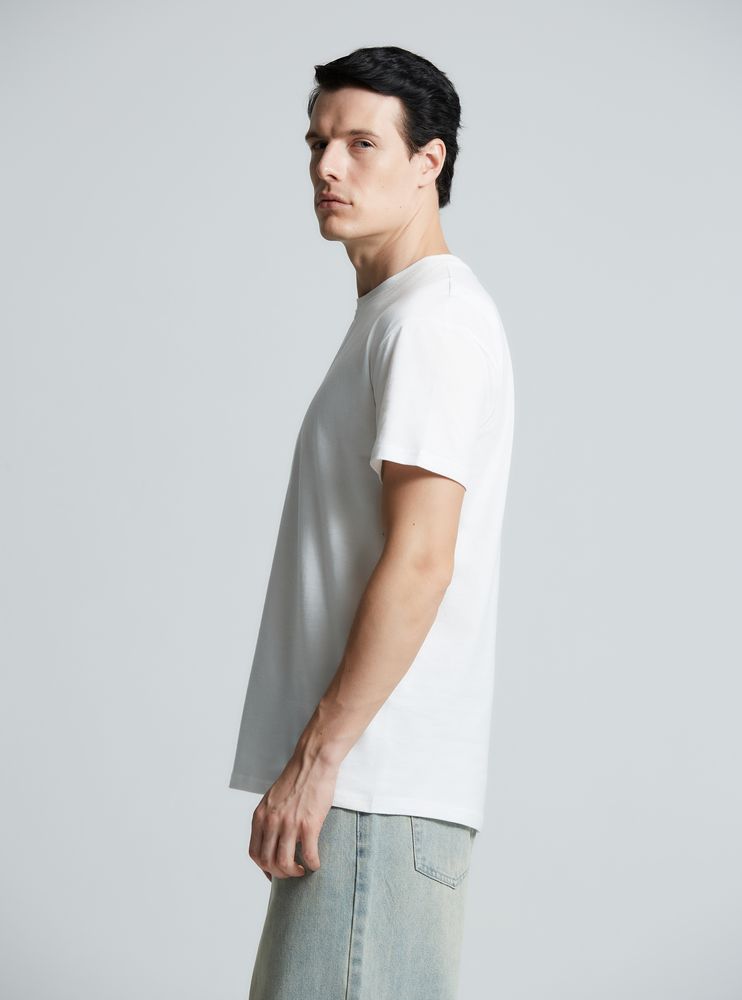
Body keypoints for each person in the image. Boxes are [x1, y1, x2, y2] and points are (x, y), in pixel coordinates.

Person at [229, 44, 515, 1000]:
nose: (327, 166)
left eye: (360, 143)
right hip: (368, 795)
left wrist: (318, 761)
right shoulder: (397, 315)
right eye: (317, 143)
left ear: (429, 161)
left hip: (370, 793)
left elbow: (423, 558)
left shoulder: (430, 321)